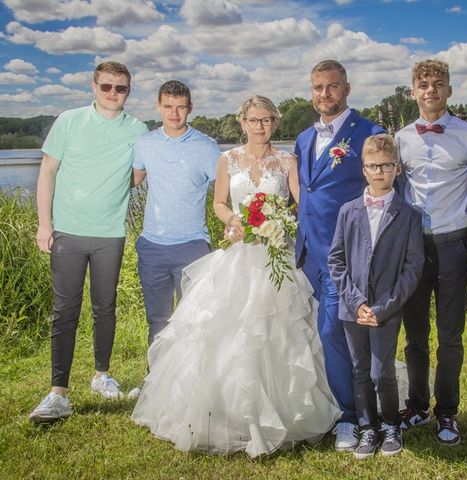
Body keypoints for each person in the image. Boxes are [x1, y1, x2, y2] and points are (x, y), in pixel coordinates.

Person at [131, 95, 340, 457]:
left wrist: (282, 223)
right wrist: (233, 221)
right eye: (253, 120)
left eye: (267, 120)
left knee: (281, 332)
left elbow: (301, 202)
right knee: (224, 331)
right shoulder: (227, 159)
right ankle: (226, 412)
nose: (260, 127)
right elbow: (219, 202)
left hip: (276, 254)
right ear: (241, 122)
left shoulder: (287, 160)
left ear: (275, 123)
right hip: (240, 252)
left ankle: (289, 411)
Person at [29, 61, 148, 423]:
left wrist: (109, 187)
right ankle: (57, 393)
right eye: (107, 86)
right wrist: (44, 225)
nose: (114, 93)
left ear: (128, 91)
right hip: (67, 231)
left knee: (105, 306)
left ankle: (101, 375)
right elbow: (47, 171)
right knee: (65, 310)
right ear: (94, 87)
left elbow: (137, 175)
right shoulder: (68, 120)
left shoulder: (138, 129)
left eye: (121, 88)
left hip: (110, 233)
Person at [395, 59, 467, 445]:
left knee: (450, 335)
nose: (430, 90)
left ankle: (447, 412)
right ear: (413, 91)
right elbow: (396, 194)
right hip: (414, 247)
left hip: (453, 245)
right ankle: (417, 406)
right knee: (415, 334)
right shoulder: (400, 139)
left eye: (438, 84)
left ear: (449, 90)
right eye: (423, 84)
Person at [295, 60, 384, 451]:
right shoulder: (302, 138)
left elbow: (381, 194)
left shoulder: (368, 133)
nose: (324, 94)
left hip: (343, 255)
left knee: (334, 330)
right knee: (315, 332)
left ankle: (352, 417)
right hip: (306, 252)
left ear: (347, 88)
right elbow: (306, 191)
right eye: (317, 87)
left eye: (332, 87)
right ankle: (327, 405)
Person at [328, 134, 424, 459]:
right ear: (363, 169)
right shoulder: (348, 211)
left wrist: (382, 308)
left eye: (385, 166)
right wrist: (356, 303)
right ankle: (368, 427)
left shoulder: (408, 215)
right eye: (372, 166)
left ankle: (391, 424)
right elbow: (336, 260)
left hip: (387, 309)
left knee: (381, 371)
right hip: (352, 309)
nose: (378, 171)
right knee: (359, 370)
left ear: (396, 168)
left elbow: (413, 268)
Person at [132, 80, 220, 347]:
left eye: (180, 107)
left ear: (190, 108)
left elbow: (228, 190)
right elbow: (132, 180)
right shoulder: (144, 143)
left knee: (195, 320)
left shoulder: (207, 147)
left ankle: (192, 386)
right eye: (168, 106)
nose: (174, 113)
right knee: (157, 320)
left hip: (192, 246)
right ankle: (155, 382)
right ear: (158, 106)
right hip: (152, 246)